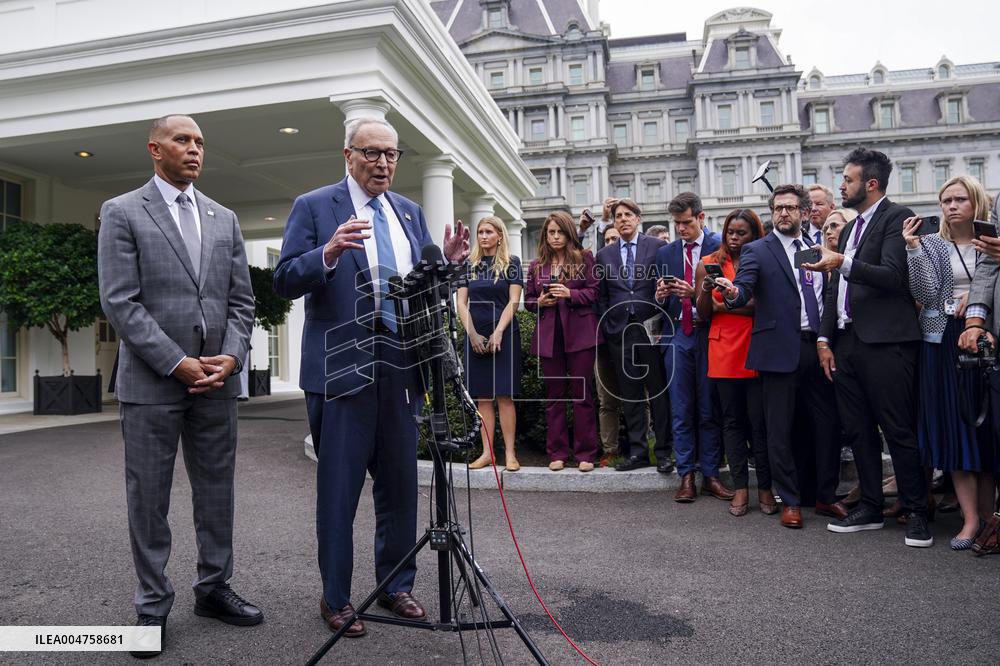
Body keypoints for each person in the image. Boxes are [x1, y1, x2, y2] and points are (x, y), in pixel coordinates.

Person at [273, 117, 469, 637]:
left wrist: (445, 266)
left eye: (391, 154)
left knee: (401, 486)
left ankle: (396, 586)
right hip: (342, 368)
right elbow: (284, 279)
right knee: (339, 490)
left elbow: (423, 288)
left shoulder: (408, 212)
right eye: (371, 153)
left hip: (401, 366)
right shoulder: (315, 207)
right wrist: (328, 253)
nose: (383, 162)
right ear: (348, 155)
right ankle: (336, 597)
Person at [97, 114, 259, 658]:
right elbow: (120, 301)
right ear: (154, 149)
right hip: (152, 384)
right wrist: (176, 362)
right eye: (182, 141)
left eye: (200, 143)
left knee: (217, 492)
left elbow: (242, 302)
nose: (194, 150)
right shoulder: (122, 212)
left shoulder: (224, 218)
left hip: (217, 383)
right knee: (149, 499)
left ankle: (214, 589)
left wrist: (232, 357)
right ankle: (151, 605)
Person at [805, 147, 932, 547]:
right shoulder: (847, 228)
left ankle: (917, 511)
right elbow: (833, 289)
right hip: (847, 342)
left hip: (888, 342)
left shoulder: (898, 218)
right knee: (858, 430)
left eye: (847, 179)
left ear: (870, 183)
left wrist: (841, 261)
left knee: (898, 429)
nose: (842, 185)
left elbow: (895, 277)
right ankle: (871, 507)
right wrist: (825, 339)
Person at [718, 185, 843, 529]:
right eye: (778, 208)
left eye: (790, 208)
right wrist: (733, 293)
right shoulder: (757, 249)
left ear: (804, 213)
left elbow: (826, 295)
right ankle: (790, 500)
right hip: (777, 350)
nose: (783, 213)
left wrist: (825, 338)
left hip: (818, 347)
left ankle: (826, 495)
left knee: (827, 424)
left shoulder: (816, 248)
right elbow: (744, 286)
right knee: (779, 429)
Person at [910, 175, 996, 549]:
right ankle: (969, 520)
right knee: (954, 425)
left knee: (987, 428)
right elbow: (926, 293)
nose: (952, 206)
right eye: (946, 200)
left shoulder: (991, 241)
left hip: (987, 337)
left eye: (960, 199)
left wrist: (977, 313)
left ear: (976, 201)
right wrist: (913, 250)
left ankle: (990, 519)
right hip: (942, 339)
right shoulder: (931, 244)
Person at [694, 209, 774, 517]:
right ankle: (741, 488)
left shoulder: (763, 260)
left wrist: (724, 303)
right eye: (730, 232)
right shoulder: (709, 263)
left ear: (754, 235)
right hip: (724, 350)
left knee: (760, 421)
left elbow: (763, 306)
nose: (734, 238)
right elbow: (704, 313)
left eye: (742, 233)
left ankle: (765, 487)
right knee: (732, 421)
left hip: (757, 347)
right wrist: (705, 293)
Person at [655, 192, 730, 502]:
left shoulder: (720, 247)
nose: (681, 229)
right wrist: (659, 296)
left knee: (709, 406)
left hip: (711, 332)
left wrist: (695, 292)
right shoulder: (666, 253)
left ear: (700, 218)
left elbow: (732, 292)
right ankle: (686, 474)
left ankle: (710, 474)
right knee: (681, 407)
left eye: (686, 223)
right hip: (677, 335)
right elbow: (655, 301)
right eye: (676, 224)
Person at [595, 198, 674, 473]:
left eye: (628, 214)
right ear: (614, 221)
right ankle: (639, 452)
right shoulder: (605, 255)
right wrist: (609, 326)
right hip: (620, 331)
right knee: (630, 394)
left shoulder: (657, 247)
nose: (623, 219)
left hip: (650, 328)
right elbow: (601, 296)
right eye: (618, 216)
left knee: (657, 392)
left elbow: (666, 283)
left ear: (638, 218)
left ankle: (664, 452)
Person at [525, 212, 601, 471]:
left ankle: (585, 454)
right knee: (554, 396)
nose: (555, 236)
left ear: (569, 233)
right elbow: (528, 300)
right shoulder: (536, 265)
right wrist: (540, 302)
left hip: (580, 334)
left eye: (560, 232)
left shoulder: (585, 258)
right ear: (545, 236)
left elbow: (594, 291)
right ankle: (557, 453)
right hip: (549, 336)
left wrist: (571, 293)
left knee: (582, 395)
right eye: (551, 232)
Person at [458, 216, 523, 472]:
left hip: (504, 332)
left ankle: (509, 454)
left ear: (500, 235)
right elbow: (461, 303)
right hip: (476, 333)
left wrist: (498, 332)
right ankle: (487, 453)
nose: (483, 236)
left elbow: (514, 301)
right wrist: (472, 333)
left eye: (489, 231)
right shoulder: (468, 264)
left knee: (505, 396)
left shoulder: (512, 263)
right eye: (480, 232)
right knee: (483, 397)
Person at [594, 225, 628, 465]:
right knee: (607, 400)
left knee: (640, 398)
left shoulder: (634, 264)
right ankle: (610, 450)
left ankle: (643, 445)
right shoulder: (598, 264)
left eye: (615, 238)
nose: (611, 243)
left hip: (633, 339)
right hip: (604, 341)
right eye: (607, 239)